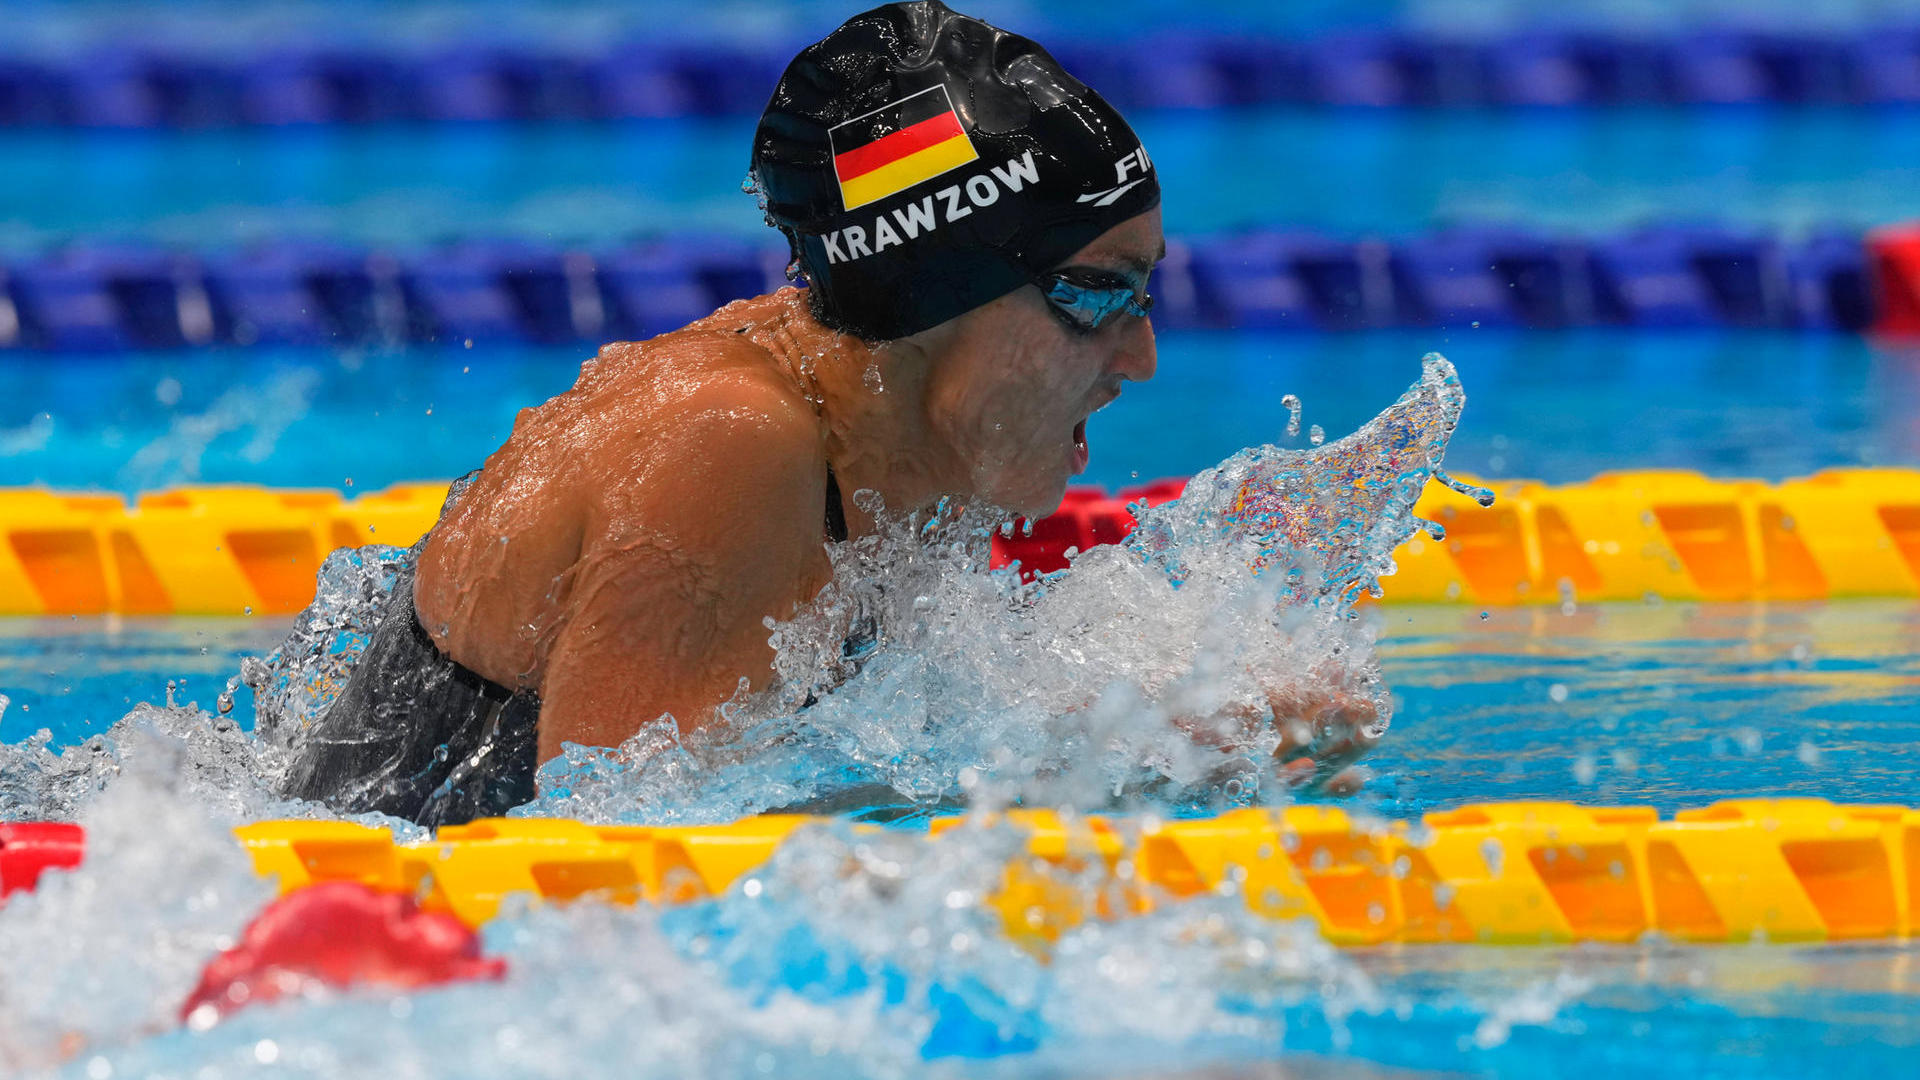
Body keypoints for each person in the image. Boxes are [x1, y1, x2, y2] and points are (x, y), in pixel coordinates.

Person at [274, 0, 1369, 826]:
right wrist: (1114, 775)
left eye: (1146, 292)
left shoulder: (909, 437)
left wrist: (1177, 720)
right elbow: (614, 854)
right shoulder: (730, 444)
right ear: (933, 297)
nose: (1142, 357)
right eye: (1095, 294)